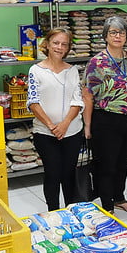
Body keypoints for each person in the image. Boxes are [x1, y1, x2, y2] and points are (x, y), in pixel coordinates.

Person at [83, 16, 127, 214]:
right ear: (105, 36)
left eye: (122, 32)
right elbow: (88, 96)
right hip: (105, 119)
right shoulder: (97, 62)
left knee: (124, 161)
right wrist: (87, 126)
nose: (118, 36)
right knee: (107, 164)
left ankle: (119, 197)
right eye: (113, 32)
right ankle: (107, 204)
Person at [27, 28, 85, 210]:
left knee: (68, 173)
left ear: (68, 48)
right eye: (56, 43)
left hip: (72, 131)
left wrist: (65, 124)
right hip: (45, 132)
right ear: (47, 44)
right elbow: (33, 102)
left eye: (64, 44)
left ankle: (71, 210)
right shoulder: (36, 70)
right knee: (52, 173)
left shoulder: (72, 71)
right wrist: (52, 126)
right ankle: (53, 212)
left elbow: (77, 100)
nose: (59, 47)